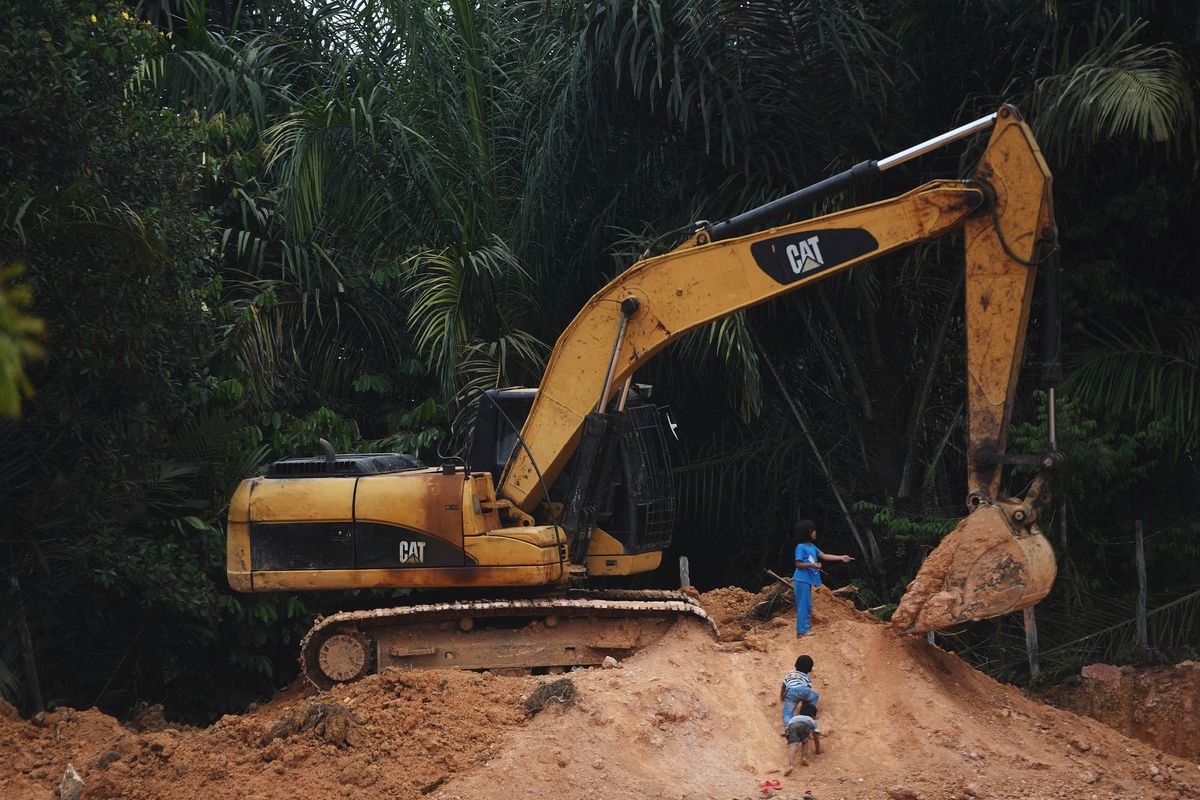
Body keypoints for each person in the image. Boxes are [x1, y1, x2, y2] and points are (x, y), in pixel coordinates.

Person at [792, 519, 853, 636]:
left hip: (806, 580)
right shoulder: (801, 547)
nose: (815, 532)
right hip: (801, 580)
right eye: (812, 530)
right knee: (804, 604)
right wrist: (812, 564)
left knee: (808, 604)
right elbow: (798, 564)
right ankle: (802, 631)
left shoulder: (812, 546)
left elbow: (824, 556)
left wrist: (841, 557)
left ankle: (804, 629)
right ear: (807, 532)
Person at [779, 655, 820, 726]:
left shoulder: (790, 673)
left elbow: (784, 685)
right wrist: (804, 702)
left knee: (787, 714)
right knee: (815, 696)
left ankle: (788, 727)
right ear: (810, 670)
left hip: (792, 693)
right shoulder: (807, 678)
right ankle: (806, 714)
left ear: (796, 664)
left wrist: (782, 697)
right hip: (805, 691)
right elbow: (808, 689)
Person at [783, 701, 822, 774]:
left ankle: (791, 765)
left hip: (791, 725)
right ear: (813, 715)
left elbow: (786, 729)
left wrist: (788, 738)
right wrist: (818, 750)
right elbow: (815, 735)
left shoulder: (794, 717)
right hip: (803, 724)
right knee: (805, 741)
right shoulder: (810, 719)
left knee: (793, 744)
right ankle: (804, 758)